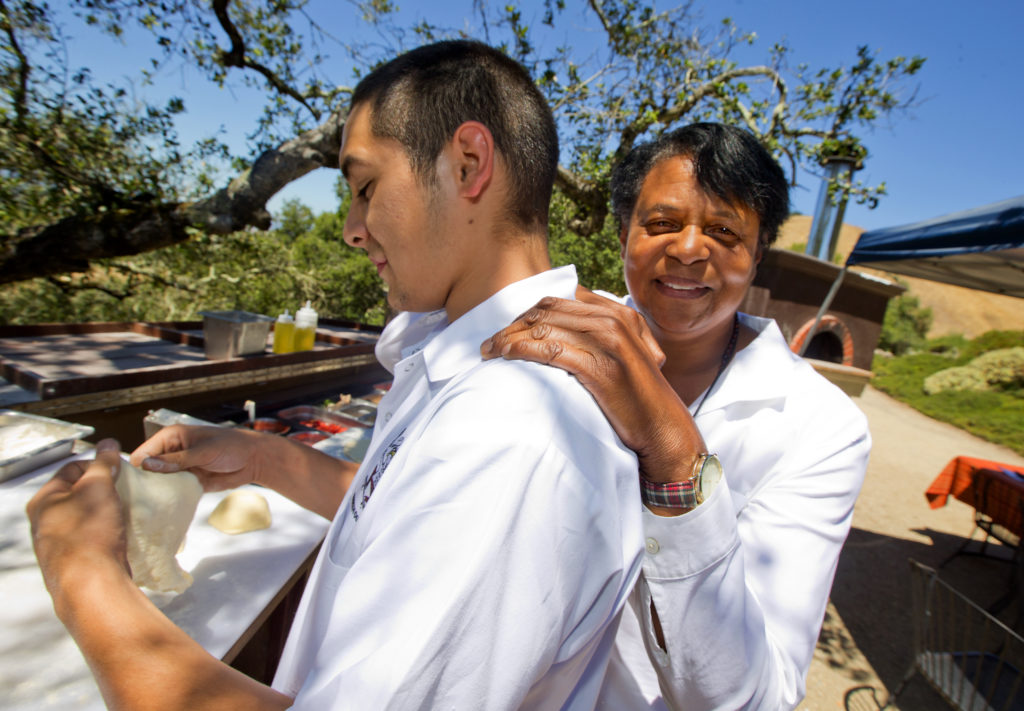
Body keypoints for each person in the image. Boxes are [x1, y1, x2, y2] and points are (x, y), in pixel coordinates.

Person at [26, 40, 644, 710]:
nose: (352, 228)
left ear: (467, 164)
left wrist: (82, 574)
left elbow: (463, 494)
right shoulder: (481, 363)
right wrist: (265, 458)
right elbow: (407, 508)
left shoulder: (510, 434)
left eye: (365, 188)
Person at [481, 122, 871, 709]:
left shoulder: (821, 428)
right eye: (661, 224)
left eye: (724, 231)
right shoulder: (558, 333)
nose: (689, 249)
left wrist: (671, 450)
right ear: (622, 235)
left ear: (759, 253)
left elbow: (757, 699)